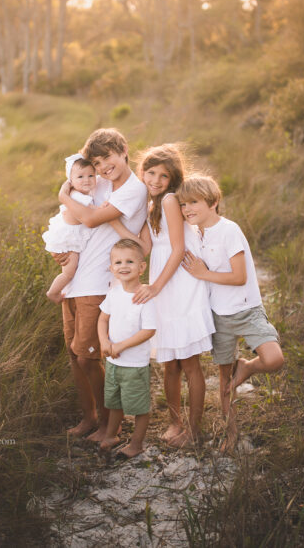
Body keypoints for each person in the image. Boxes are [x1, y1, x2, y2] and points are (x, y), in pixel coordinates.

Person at [109, 144, 213, 447]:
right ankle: (174, 422)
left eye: (163, 176)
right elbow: (144, 248)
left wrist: (154, 287)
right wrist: (111, 220)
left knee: (189, 362)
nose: (155, 179)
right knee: (169, 360)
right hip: (163, 279)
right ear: (142, 172)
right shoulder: (153, 204)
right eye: (150, 173)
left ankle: (193, 430)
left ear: (172, 179)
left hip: (178, 281)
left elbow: (178, 248)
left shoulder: (169, 200)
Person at [177, 174, 285, 451]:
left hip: (246, 309)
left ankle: (247, 367)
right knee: (225, 381)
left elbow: (239, 277)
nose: (187, 209)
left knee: (274, 360)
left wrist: (205, 273)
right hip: (218, 316)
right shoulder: (195, 234)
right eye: (183, 204)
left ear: (213, 202)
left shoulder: (229, 230)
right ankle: (231, 434)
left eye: (193, 202)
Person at [54, 128, 148, 442]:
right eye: (97, 162)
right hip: (76, 279)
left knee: (88, 357)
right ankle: (89, 417)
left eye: (107, 157)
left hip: (99, 281)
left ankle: (112, 425)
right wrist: (63, 247)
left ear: (123, 151)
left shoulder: (133, 189)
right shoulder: (102, 182)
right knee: (74, 353)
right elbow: (75, 215)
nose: (103, 166)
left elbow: (91, 218)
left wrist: (64, 195)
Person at [97, 239, 158, 460]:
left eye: (130, 261)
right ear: (112, 267)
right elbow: (103, 319)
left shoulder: (144, 297)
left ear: (142, 267)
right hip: (113, 362)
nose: (124, 266)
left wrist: (121, 345)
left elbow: (149, 330)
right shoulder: (114, 293)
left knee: (139, 406)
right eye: (118, 262)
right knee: (115, 402)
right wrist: (104, 342)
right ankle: (111, 435)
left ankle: (136, 444)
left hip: (134, 364)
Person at [42, 153, 97, 303]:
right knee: (69, 273)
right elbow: (94, 211)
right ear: (70, 181)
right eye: (80, 177)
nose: (86, 180)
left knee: (70, 271)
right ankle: (53, 292)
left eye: (91, 175)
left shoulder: (81, 193)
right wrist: (105, 207)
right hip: (68, 239)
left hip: (70, 234)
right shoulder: (78, 196)